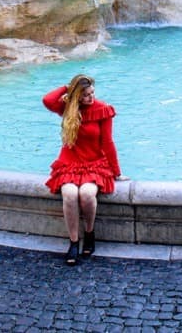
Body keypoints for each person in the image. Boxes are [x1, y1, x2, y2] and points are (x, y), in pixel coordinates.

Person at [42, 74, 125, 265]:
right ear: (77, 95)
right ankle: (73, 242)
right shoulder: (67, 109)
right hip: (69, 163)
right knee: (70, 194)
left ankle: (89, 232)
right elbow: (47, 100)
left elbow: (108, 142)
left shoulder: (102, 109)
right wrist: (67, 87)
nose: (91, 97)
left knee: (87, 194)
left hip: (95, 163)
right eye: (86, 94)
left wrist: (116, 171)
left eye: (92, 93)